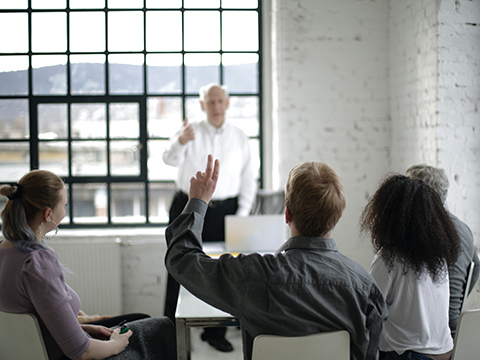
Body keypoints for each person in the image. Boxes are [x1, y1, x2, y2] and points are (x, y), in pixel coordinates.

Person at [165, 155, 388, 360]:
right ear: (337, 216)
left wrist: (198, 201)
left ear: (287, 213)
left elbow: (181, 260)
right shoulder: (366, 289)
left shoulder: (252, 274)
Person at [0, 170, 176, 360]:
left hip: (34, 349)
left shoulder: (5, 250)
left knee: (140, 319)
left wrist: (84, 328)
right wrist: (116, 345)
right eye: (64, 205)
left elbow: (37, 326)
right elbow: (82, 352)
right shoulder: (36, 262)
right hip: (63, 355)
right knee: (161, 329)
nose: (65, 211)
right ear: (48, 214)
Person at [162, 83, 257, 352]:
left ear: (227, 103)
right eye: (210, 102)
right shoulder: (189, 131)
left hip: (225, 210)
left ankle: (214, 333)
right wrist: (180, 141)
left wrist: (240, 215)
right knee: (177, 265)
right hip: (187, 205)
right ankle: (168, 333)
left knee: (222, 270)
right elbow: (168, 159)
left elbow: (248, 180)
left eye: (220, 101)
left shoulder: (240, 136)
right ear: (202, 105)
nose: (215, 106)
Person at [361, 174, 461, 360]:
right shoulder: (439, 258)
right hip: (445, 352)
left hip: (409, 355)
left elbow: (367, 309)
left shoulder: (389, 258)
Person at [405, 164, 480, 338]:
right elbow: (476, 268)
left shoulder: (422, 232)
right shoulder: (465, 230)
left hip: (432, 335)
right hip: (457, 329)